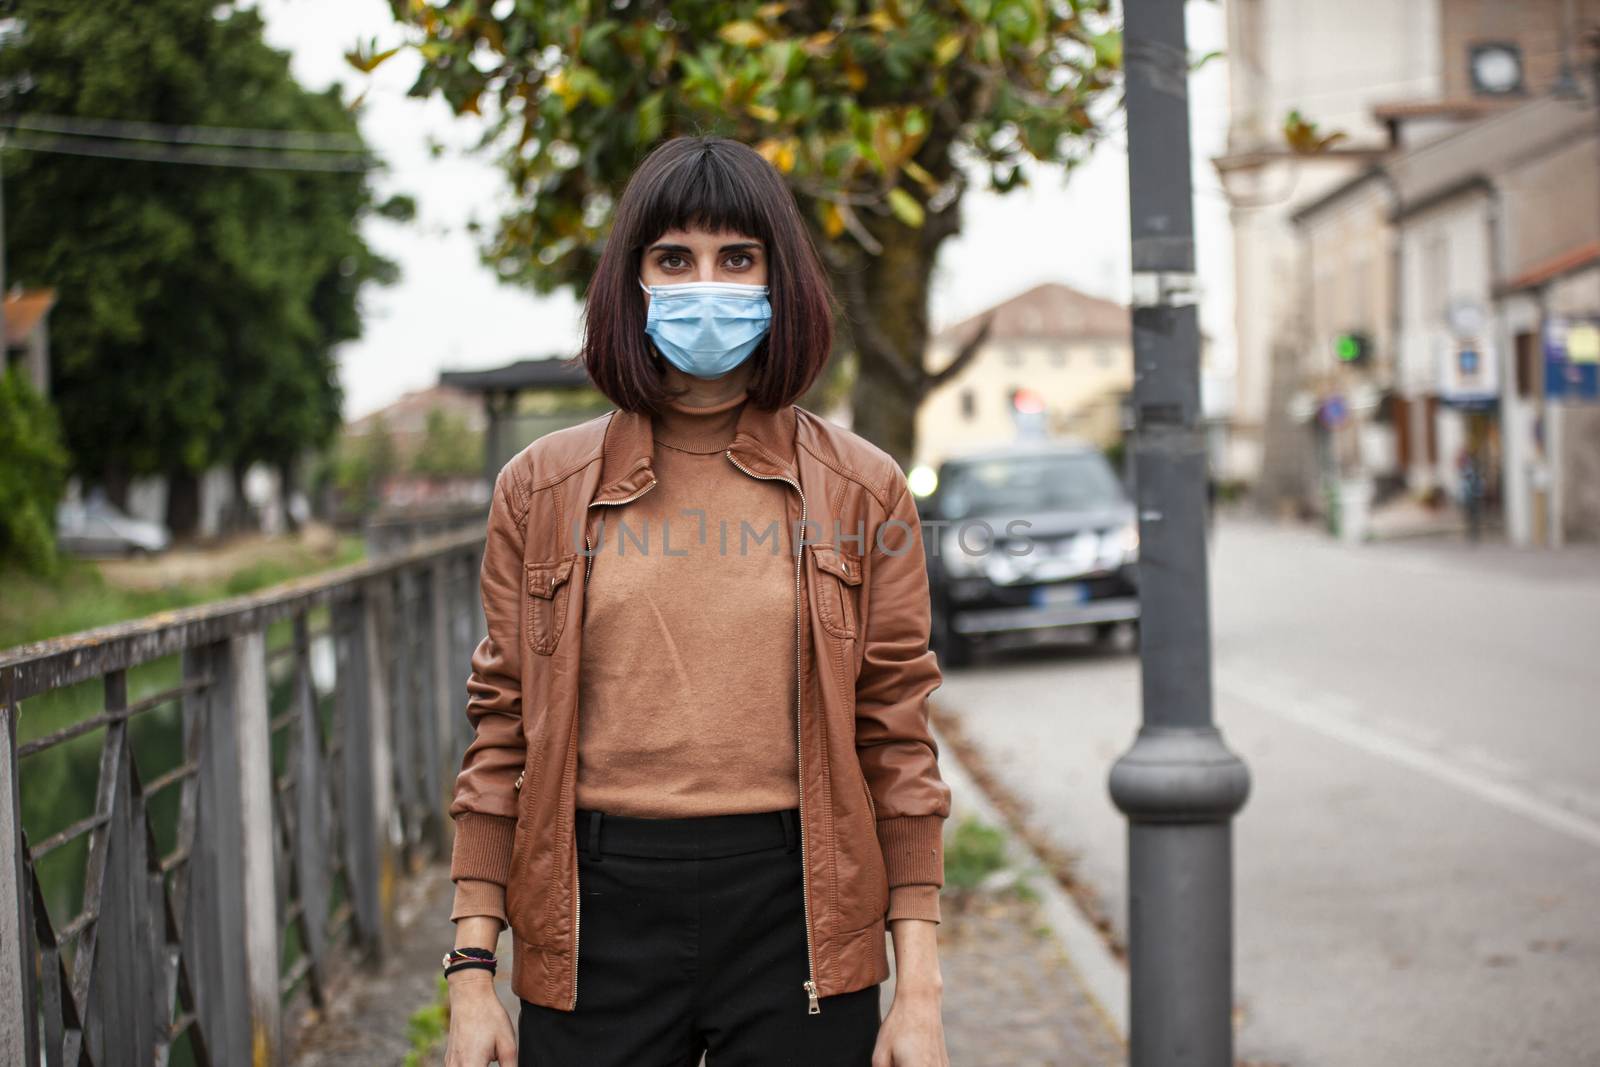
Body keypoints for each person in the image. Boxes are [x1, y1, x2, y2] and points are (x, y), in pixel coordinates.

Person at [443, 136, 953, 1067]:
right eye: (674, 258)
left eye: (737, 259)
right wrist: (471, 970)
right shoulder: (540, 489)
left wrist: (916, 991)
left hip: (799, 910)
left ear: (778, 280)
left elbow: (897, 740)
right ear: (632, 282)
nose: (704, 284)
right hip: (593, 916)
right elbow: (501, 730)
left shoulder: (863, 490)